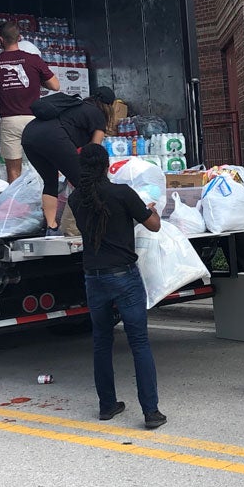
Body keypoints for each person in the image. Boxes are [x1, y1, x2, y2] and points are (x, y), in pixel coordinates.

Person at [74, 143, 168, 429]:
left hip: (94, 276)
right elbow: (154, 226)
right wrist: (149, 210)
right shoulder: (122, 193)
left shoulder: (77, 200)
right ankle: (150, 411)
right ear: (106, 166)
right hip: (124, 275)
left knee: (101, 342)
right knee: (138, 341)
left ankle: (107, 405)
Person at [21, 91, 110, 235]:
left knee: (50, 182)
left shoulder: (72, 106)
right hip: (54, 136)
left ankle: (52, 227)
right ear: (108, 107)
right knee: (84, 183)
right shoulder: (98, 114)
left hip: (29, 135)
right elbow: (94, 152)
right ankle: (94, 225)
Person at [0, 22, 59, 182]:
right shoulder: (34, 59)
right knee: (46, 165)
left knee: (14, 172)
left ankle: (16, 206)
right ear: (20, 38)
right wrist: (37, 80)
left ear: (0, 39)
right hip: (35, 120)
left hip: (10, 121)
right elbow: (55, 86)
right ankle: (51, 202)